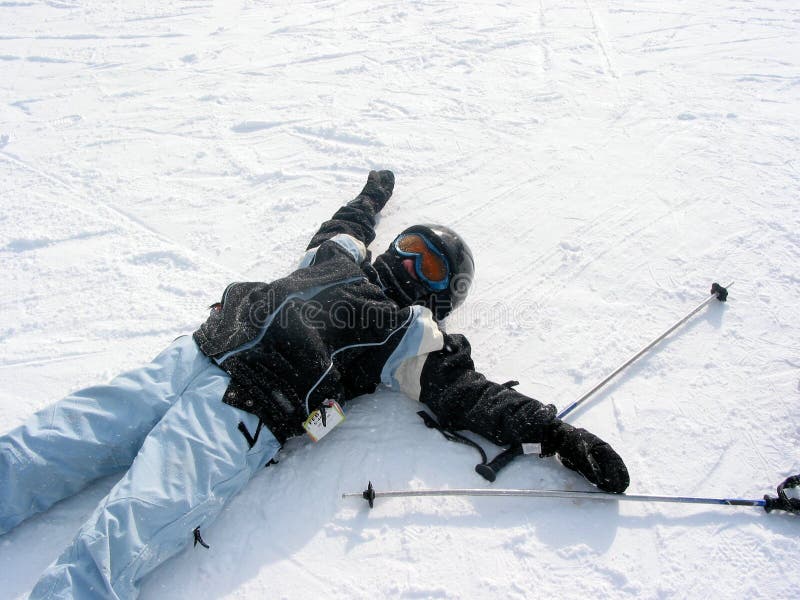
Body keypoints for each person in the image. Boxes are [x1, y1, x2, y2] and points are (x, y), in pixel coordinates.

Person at [0, 170, 629, 599]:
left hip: (238, 414)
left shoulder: (407, 331)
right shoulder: (337, 255)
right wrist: (373, 197)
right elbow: (348, 221)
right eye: (409, 245)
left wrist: (553, 432)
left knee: (126, 529)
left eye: (427, 263)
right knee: (46, 442)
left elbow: (469, 392)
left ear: (441, 295)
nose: (406, 261)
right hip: (190, 356)